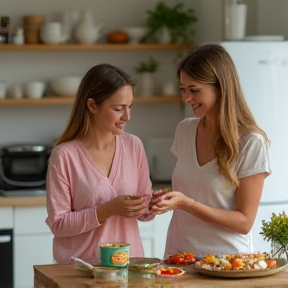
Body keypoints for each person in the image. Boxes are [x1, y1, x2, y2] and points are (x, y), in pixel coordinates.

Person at [150, 44, 271, 259]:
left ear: (221, 88)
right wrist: (165, 199)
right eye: (183, 89)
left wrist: (187, 204)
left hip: (225, 265)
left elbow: (244, 222)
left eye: (194, 90)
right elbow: (196, 185)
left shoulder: (251, 142)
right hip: (178, 260)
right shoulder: (185, 130)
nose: (186, 98)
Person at [46, 63, 154, 264]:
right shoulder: (64, 156)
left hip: (129, 268)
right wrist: (108, 209)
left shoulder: (134, 146)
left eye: (129, 107)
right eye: (118, 108)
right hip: (81, 271)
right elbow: (58, 224)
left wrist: (153, 205)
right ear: (92, 105)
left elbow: (144, 210)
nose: (127, 116)